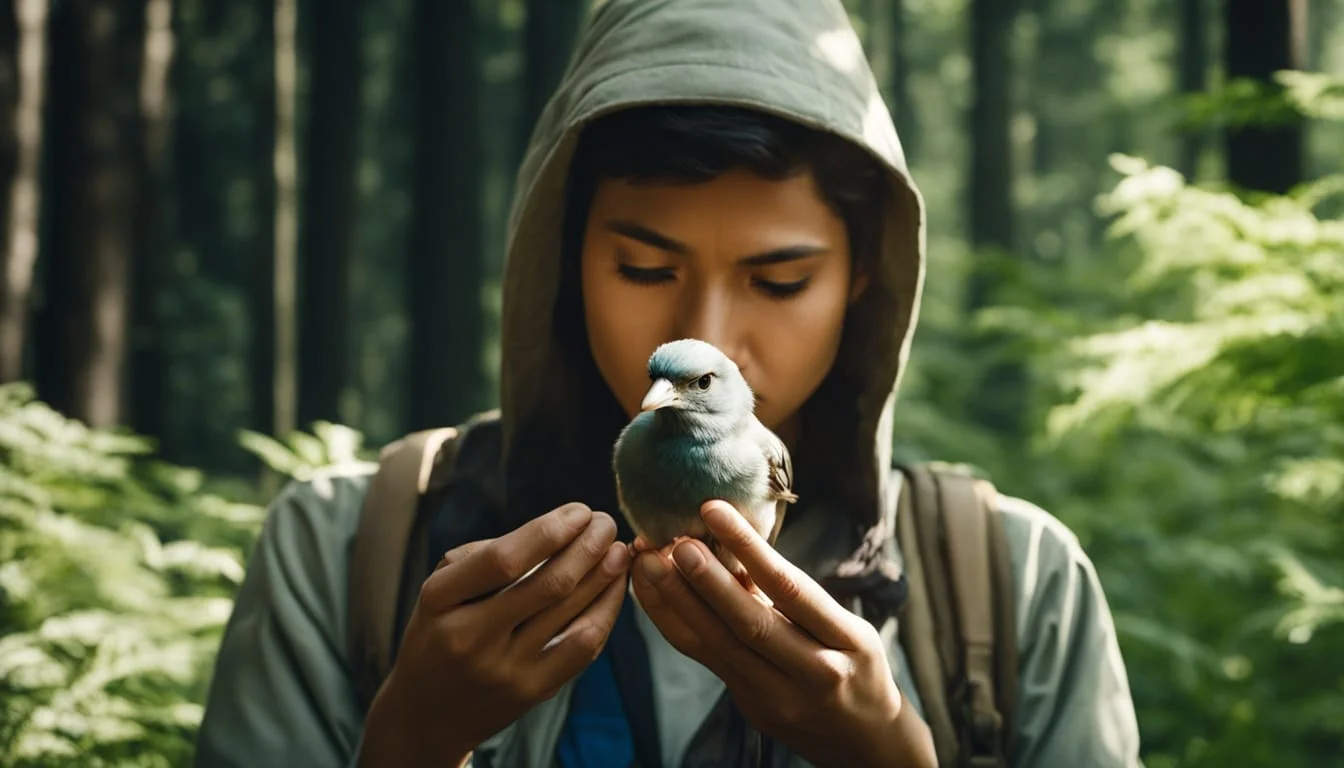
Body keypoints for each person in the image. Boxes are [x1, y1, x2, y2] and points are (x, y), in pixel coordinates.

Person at [194, 0, 1143, 766]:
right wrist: (409, 744)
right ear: (561, 259)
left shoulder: (1015, 593)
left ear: (865, 276)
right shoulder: (347, 556)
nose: (708, 336)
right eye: (646, 271)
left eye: (779, 280)